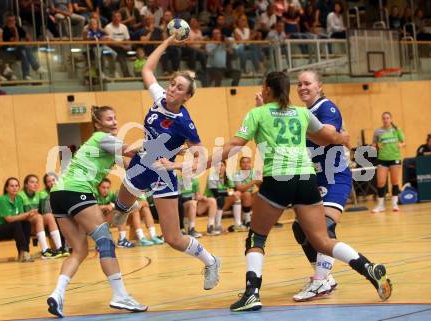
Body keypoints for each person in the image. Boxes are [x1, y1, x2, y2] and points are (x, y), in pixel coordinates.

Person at [164, 71, 392, 311]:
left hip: (279, 178)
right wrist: (342, 136)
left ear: (268, 90)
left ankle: (252, 293)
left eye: (263, 86)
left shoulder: (257, 114)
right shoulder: (302, 113)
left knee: (257, 236)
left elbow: (232, 147)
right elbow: (328, 137)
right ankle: (367, 267)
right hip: (306, 178)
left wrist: (195, 164)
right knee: (323, 240)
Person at [111, 34, 221, 292]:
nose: (172, 89)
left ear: (187, 97)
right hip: (140, 164)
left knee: (172, 238)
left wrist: (174, 166)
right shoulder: (159, 97)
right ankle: (121, 229)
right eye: (172, 84)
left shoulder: (184, 122)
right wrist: (168, 42)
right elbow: (148, 69)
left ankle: (211, 261)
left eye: (179, 88)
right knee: (118, 213)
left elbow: (202, 156)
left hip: (162, 173)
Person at [46, 106, 147, 318]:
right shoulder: (102, 137)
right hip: (77, 191)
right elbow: (131, 150)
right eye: (109, 119)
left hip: (57, 195)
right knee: (105, 242)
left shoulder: (109, 147)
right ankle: (120, 295)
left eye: (115, 117)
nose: (114, 122)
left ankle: (57, 294)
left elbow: (133, 166)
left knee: (80, 250)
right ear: (98, 124)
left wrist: (166, 165)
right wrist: (159, 146)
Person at [290, 70, 352, 302]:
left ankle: (320, 279)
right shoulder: (304, 113)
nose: (302, 87)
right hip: (314, 179)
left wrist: (298, 124)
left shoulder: (327, 107)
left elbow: (326, 137)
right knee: (300, 229)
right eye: (299, 84)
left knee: (324, 227)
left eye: (307, 83)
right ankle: (324, 275)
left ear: (319, 86)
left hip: (335, 177)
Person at [19, 174, 67, 258]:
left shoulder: (39, 195)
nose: (35, 184)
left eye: (37, 182)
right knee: (38, 217)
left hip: (38, 224)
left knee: (48, 215)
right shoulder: (20, 196)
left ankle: (60, 248)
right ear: (26, 184)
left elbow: (44, 211)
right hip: (25, 226)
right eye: (32, 182)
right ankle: (45, 250)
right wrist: (30, 214)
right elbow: (19, 216)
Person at [0, 178, 35, 262]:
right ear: (6, 188)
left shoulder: (18, 199)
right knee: (16, 224)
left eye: (16, 186)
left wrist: (30, 215)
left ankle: (23, 253)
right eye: (11, 186)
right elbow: (9, 219)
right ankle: (24, 252)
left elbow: (21, 217)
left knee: (26, 223)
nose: (14, 188)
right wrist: (26, 214)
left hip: (9, 229)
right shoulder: (2, 200)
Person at [372, 112, 406, 213]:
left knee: (394, 181)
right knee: (381, 182)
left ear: (391, 119)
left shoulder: (396, 130)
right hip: (382, 159)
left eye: (387, 118)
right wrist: (376, 146)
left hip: (394, 158)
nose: (385, 120)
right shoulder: (378, 131)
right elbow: (373, 144)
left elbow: (404, 142)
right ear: (382, 120)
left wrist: (401, 145)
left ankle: (395, 204)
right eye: (384, 118)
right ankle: (380, 205)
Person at [204, 161, 247, 232]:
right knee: (221, 198)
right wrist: (229, 192)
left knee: (237, 196)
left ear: (225, 166)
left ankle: (238, 224)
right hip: (210, 201)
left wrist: (231, 192)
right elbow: (216, 193)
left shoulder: (227, 176)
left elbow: (233, 189)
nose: (220, 167)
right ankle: (217, 225)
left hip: (222, 199)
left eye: (222, 165)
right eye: (217, 166)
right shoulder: (212, 177)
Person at [95, 178, 135, 248]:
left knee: (122, 211)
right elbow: (90, 209)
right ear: (98, 187)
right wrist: (105, 206)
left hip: (106, 220)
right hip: (94, 221)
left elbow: (119, 203)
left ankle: (122, 239)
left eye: (108, 188)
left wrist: (112, 205)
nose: (105, 190)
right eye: (103, 187)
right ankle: (102, 241)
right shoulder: (94, 195)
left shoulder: (111, 194)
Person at [233, 157, 262, 227]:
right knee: (246, 194)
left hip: (251, 195)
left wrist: (261, 182)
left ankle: (268, 219)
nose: (246, 164)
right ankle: (247, 220)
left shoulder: (255, 172)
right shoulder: (237, 174)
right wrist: (253, 181)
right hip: (240, 196)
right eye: (243, 162)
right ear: (240, 164)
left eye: (248, 162)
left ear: (250, 163)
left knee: (264, 194)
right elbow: (240, 189)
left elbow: (261, 187)